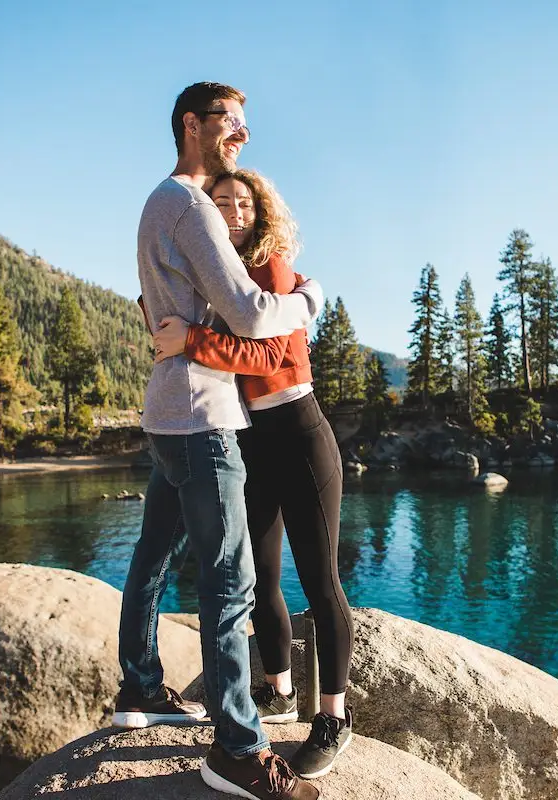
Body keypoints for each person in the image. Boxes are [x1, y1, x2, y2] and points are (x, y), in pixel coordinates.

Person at [116, 81, 321, 800]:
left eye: (245, 124)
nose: (241, 134)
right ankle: (237, 748)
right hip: (203, 419)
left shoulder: (157, 204)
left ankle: (139, 686)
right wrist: (309, 299)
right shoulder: (189, 204)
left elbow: (160, 305)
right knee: (230, 582)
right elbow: (249, 310)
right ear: (191, 125)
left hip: (168, 414)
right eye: (230, 122)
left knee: (152, 557)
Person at [152, 169, 354, 779]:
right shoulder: (220, 275)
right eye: (222, 202)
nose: (234, 211)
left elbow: (268, 353)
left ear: (261, 211)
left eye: (244, 202)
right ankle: (279, 691)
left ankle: (333, 719)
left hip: (299, 432)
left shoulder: (270, 267)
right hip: (250, 441)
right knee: (261, 574)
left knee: (320, 581)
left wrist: (191, 342)